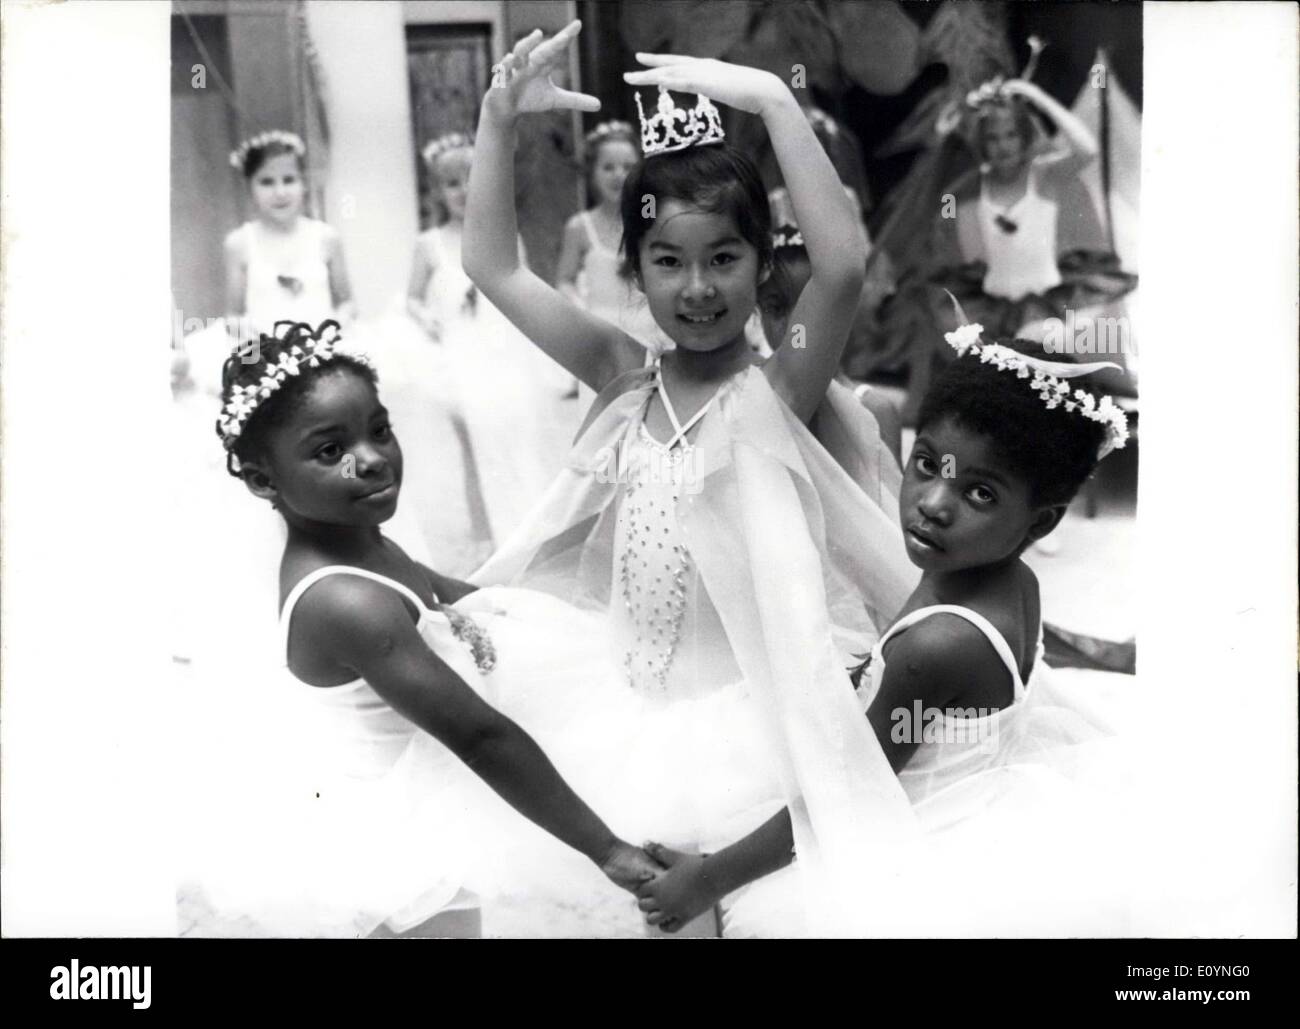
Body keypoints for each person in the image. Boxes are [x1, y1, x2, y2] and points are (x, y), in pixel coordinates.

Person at [461, 22, 917, 935]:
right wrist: (495, 120)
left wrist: (774, 103)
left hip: (747, 731)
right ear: (633, 269)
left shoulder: (780, 383)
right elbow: (493, 266)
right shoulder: (622, 374)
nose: (698, 287)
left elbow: (845, 263)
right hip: (625, 718)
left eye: (724, 258)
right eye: (668, 261)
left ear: (759, 263)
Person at [635, 324, 1137, 936]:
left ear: (1042, 522)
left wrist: (706, 879)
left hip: (914, 836)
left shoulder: (939, 644)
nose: (932, 502)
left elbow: (842, 795)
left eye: (979, 493)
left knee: (709, 834)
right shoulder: (1007, 578)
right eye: (926, 464)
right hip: (962, 791)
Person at [181, 320, 661, 937]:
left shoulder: (360, 543)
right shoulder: (346, 602)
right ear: (262, 480)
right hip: (385, 837)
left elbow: (471, 600)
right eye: (332, 451)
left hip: (417, 802)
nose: (374, 458)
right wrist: (606, 849)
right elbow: (480, 735)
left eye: (379, 431)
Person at [403, 131, 576, 553]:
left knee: (518, 434)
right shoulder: (428, 246)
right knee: (473, 444)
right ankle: (487, 537)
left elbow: (526, 292)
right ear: (437, 192)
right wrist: (429, 320)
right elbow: (411, 299)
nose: (463, 191)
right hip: (460, 355)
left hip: (503, 352)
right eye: (451, 183)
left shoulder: (504, 236)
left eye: (471, 179)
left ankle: (529, 522)